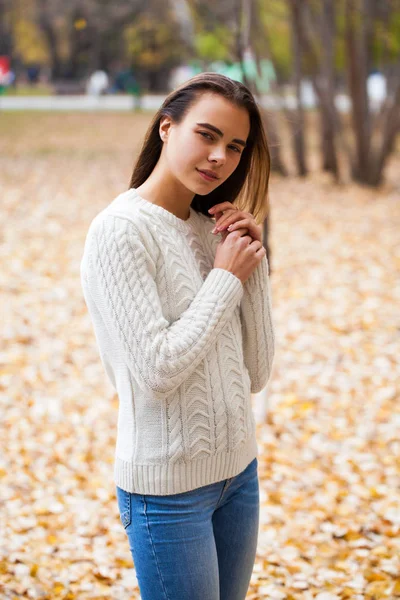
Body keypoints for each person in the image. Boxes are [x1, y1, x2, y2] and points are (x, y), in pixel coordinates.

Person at [80, 72, 275, 600]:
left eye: (235, 147)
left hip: (239, 475)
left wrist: (251, 265)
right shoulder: (120, 231)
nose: (219, 156)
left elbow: (256, 372)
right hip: (167, 495)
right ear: (167, 127)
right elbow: (157, 372)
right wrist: (227, 277)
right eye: (206, 135)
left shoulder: (207, 227)